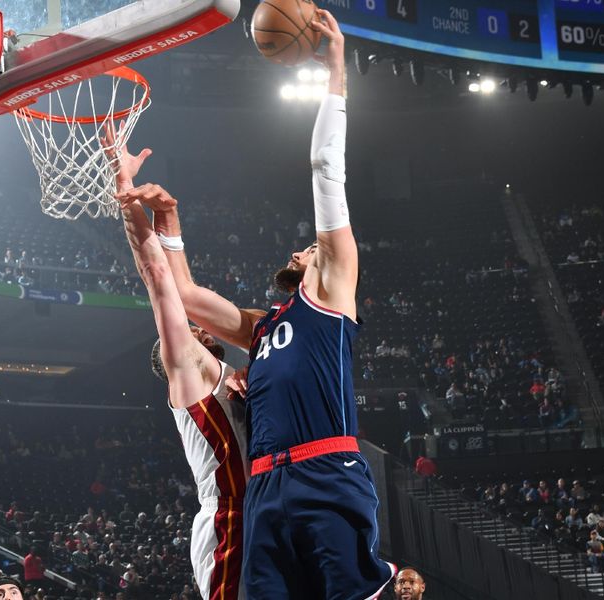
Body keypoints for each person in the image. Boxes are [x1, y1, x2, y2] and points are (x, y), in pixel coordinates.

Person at [115, 10, 395, 599]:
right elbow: (186, 296)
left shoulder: (334, 292)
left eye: (312, 244)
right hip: (265, 490)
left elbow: (325, 169)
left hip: (326, 472)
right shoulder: (263, 328)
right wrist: (166, 217)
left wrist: (337, 70)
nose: (307, 244)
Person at [105, 122, 248, 600]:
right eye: (183, 334)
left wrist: (170, 220)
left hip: (266, 507)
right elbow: (160, 280)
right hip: (231, 517)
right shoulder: (191, 374)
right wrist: (123, 186)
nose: (191, 327)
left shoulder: (233, 369)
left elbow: (185, 287)